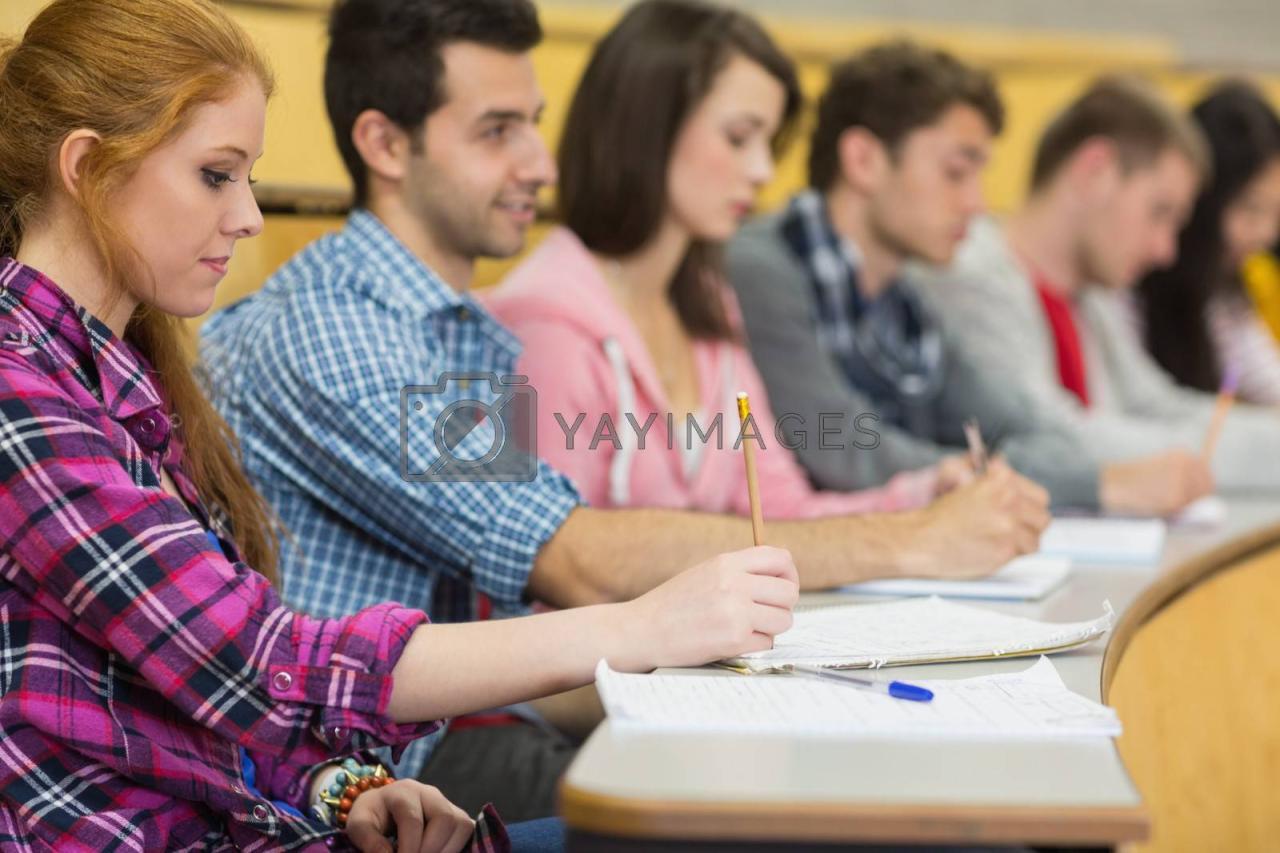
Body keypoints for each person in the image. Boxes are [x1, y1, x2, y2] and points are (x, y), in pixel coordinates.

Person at [199, 0, 1049, 818]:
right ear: (385, 143)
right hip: (359, 779)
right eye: (499, 131)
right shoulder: (343, 332)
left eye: (533, 123)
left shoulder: (459, 336)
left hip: (434, 743)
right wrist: (916, 537)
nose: (540, 163)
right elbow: (576, 561)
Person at [0, 0, 802, 848]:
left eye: (250, 178)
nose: (248, 216)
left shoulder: (137, 368)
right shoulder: (311, 336)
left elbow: (183, 698)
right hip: (292, 788)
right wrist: (648, 624)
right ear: (86, 168)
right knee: (735, 819)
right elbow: (261, 658)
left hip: (323, 781)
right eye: (215, 174)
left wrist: (341, 784)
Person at [488, 9, 1048, 525]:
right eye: (737, 138)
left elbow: (776, 508)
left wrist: (920, 495)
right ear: (648, 124)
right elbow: (551, 568)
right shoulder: (549, 320)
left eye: (766, 144)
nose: (760, 171)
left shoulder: (706, 303)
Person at [724, 42, 1211, 517]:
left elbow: (1027, 426)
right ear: (863, 160)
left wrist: (1017, 472)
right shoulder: (764, 270)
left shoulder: (905, 302)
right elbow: (847, 452)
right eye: (955, 173)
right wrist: (1091, 483)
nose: (976, 203)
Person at [926, 75, 1280, 499]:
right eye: (1160, 212)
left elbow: (1160, 405)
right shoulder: (971, 277)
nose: (1165, 250)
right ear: (1095, 171)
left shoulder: (1093, 298)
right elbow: (1057, 436)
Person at [1135, 80, 1280, 404]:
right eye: (1250, 208)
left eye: (1276, 213)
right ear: (1202, 200)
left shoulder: (1226, 291)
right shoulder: (1132, 286)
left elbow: (1267, 378)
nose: (1265, 233)